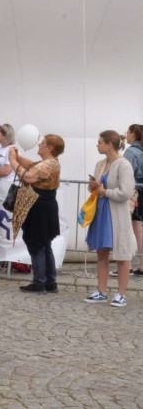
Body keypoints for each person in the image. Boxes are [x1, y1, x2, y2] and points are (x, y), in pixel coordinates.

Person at [83, 130, 135, 306]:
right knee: (101, 252)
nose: (97, 145)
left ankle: (121, 294)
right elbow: (96, 189)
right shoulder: (99, 164)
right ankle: (102, 291)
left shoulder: (124, 165)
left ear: (109, 144)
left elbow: (126, 192)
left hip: (116, 214)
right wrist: (94, 187)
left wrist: (105, 191)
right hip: (101, 212)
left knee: (122, 254)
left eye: (99, 142)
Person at [9, 135, 64, 294]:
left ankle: (40, 282)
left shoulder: (49, 164)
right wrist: (17, 156)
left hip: (40, 206)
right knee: (44, 243)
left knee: (37, 243)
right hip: (44, 205)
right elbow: (32, 165)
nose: (39, 145)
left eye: (43, 143)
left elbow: (28, 176)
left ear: (50, 148)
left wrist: (13, 161)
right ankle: (50, 282)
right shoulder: (49, 163)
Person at [123, 124, 143, 275]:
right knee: (139, 228)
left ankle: (127, 265)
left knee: (130, 228)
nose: (126, 135)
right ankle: (142, 265)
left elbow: (126, 174)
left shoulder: (131, 152)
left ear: (133, 134)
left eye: (128, 132)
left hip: (134, 192)